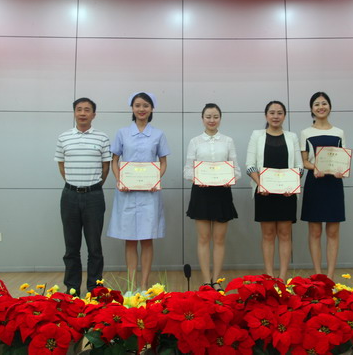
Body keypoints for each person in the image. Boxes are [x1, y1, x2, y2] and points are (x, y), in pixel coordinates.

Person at [108, 92, 169, 291]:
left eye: (145, 105)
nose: (141, 109)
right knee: (130, 239)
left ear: (152, 109)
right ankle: (131, 285)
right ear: (132, 108)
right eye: (137, 105)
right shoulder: (122, 133)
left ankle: (144, 285)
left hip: (149, 193)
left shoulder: (158, 134)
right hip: (127, 192)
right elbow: (114, 160)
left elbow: (163, 162)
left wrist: (155, 179)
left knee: (147, 238)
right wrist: (119, 180)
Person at [55, 97, 111, 295]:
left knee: (94, 247)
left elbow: (106, 167)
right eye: (79, 109)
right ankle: (72, 289)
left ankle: (95, 288)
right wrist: (75, 184)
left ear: (94, 114)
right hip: (69, 196)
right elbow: (61, 165)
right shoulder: (64, 138)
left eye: (87, 110)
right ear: (74, 113)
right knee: (71, 247)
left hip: (94, 196)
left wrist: (92, 186)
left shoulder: (102, 138)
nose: (82, 113)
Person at [184, 103, 241, 290]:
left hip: (222, 193)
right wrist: (198, 178)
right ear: (202, 119)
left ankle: (216, 280)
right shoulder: (194, 142)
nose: (212, 120)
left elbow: (237, 170)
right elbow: (187, 170)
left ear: (220, 119)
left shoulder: (228, 141)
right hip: (201, 192)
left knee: (219, 239)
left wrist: (230, 178)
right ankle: (206, 281)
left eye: (215, 116)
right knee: (203, 238)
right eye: (208, 116)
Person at [246, 101, 302, 281]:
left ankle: (283, 277)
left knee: (285, 234)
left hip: (287, 193)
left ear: (284, 116)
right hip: (264, 193)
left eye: (279, 113)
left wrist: (291, 185)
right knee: (268, 234)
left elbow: (300, 167)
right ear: (266, 115)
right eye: (272, 113)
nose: (275, 116)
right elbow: (250, 166)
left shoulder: (292, 137)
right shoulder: (257, 135)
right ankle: (269, 276)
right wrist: (261, 184)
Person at [300, 91, 346, 280]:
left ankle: (330, 276)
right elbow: (304, 161)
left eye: (324, 103)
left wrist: (341, 170)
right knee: (315, 231)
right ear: (311, 109)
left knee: (333, 231)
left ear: (330, 107)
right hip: (315, 183)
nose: (321, 107)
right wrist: (316, 167)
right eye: (317, 104)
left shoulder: (339, 133)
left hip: (334, 184)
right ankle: (318, 275)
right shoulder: (306, 133)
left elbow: (343, 159)